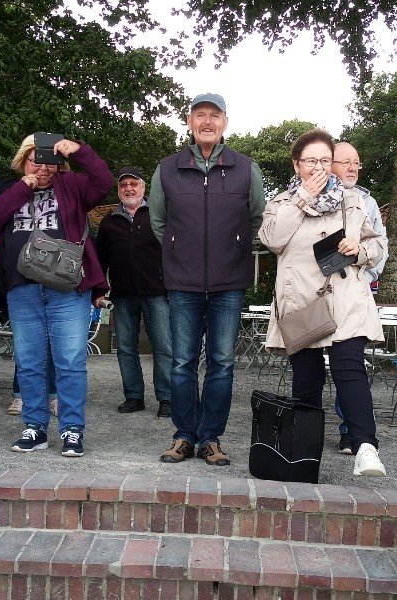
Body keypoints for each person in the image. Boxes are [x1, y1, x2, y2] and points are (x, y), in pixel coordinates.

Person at [0, 134, 112, 457]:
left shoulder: (72, 185)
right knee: (29, 361)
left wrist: (79, 152)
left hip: (67, 286)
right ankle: (34, 427)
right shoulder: (10, 189)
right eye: (36, 161)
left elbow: (103, 182)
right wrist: (24, 187)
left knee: (70, 360)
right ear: (23, 161)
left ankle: (72, 429)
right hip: (23, 287)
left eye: (50, 161)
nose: (44, 168)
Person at [259, 129, 388, 477]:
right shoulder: (281, 203)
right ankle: (303, 458)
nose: (319, 167)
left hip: (345, 297)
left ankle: (365, 447)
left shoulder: (353, 199)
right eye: (311, 161)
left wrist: (359, 250)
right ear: (296, 165)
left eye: (325, 160)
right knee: (307, 380)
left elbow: (377, 245)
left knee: (350, 368)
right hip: (302, 300)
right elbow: (272, 240)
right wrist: (303, 197)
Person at [149, 93, 266, 466]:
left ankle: (210, 438)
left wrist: (235, 248)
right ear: (189, 122)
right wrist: (178, 249)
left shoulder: (246, 168)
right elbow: (158, 222)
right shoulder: (167, 169)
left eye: (214, 115)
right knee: (181, 361)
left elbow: (258, 219)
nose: (207, 121)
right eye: (200, 115)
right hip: (181, 282)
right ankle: (184, 436)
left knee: (222, 362)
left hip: (228, 282)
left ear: (225, 122)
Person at [95, 167, 173, 418]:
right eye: (123, 185)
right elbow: (99, 260)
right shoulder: (109, 221)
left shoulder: (160, 215)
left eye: (134, 184)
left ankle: (167, 398)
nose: (129, 188)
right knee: (126, 348)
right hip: (123, 294)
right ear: (119, 190)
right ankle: (133, 396)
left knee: (164, 347)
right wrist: (98, 290)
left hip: (157, 292)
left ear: (143, 187)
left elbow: (176, 252)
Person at [330, 141, 390, 454]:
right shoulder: (309, 197)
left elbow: (380, 247)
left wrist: (361, 279)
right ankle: (304, 437)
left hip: (351, 294)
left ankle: (350, 432)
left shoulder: (368, 202)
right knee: (309, 366)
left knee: (350, 362)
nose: (353, 168)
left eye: (356, 162)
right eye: (345, 162)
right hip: (318, 294)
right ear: (329, 164)